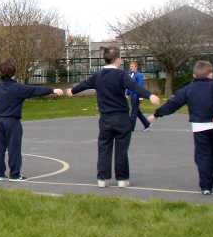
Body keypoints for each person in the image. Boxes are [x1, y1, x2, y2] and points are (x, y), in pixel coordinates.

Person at [66, 46, 160, 187]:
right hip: (121, 118)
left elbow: (83, 85)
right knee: (121, 149)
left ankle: (102, 179)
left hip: (105, 119)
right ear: (117, 60)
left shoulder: (98, 75)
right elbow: (135, 87)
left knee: (104, 147)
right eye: (120, 58)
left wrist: (72, 91)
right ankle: (122, 179)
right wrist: (150, 95)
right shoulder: (121, 75)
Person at [0, 60, 62, 181]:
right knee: (14, 149)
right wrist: (52, 90)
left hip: (0, 122)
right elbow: (35, 90)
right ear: (13, 73)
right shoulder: (18, 88)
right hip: (13, 122)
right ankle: (14, 174)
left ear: (0, 73)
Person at [148, 60, 213, 194]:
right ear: (211, 74)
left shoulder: (189, 89)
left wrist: (157, 114)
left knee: (202, 156)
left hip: (199, 127)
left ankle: (206, 186)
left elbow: (173, 103)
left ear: (194, 75)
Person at [126, 61, 151, 132]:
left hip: (136, 96)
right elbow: (129, 85)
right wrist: (127, 93)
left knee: (133, 112)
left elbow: (140, 86)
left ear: (136, 67)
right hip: (132, 95)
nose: (131, 68)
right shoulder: (131, 75)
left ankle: (131, 128)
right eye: (130, 66)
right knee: (137, 112)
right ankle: (147, 124)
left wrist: (140, 96)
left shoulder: (139, 75)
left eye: (132, 66)